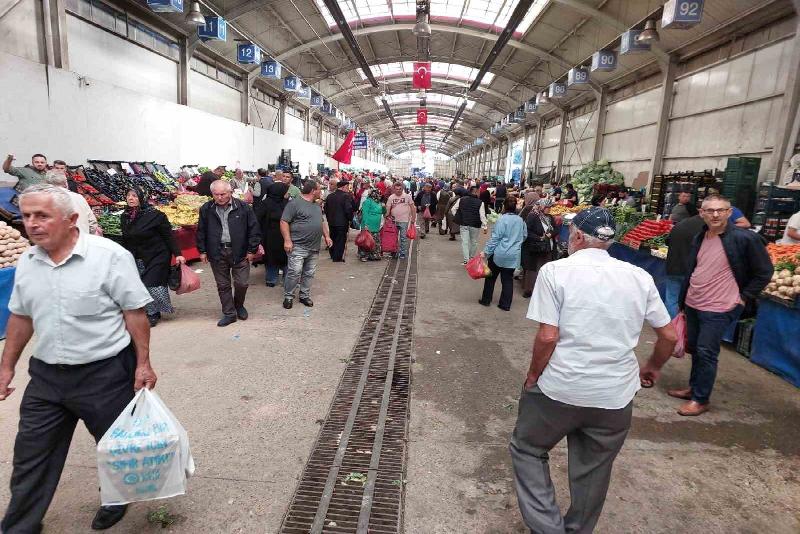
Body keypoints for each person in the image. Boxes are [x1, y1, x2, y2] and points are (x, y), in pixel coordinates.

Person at [0, 184, 158, 532]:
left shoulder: (110, 256)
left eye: (42, 216)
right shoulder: (27, 261)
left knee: (114, 447)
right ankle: (20, 525)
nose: (32, 224)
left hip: (104, 374)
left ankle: (116, 498)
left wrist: (143, 363)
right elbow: (21, 317)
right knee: (31, 456)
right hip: (46, 377)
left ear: (72, 220)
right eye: (27, 216)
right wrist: (6, 366)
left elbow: (135, 313)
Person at [511, 206, 677, 534]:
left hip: (559, 389)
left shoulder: (555, 271)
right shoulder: (639, 277)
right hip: (614, 397)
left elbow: (548, 336)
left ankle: (547, 528)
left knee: (527, 449)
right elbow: (669, 335)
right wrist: (653, 367)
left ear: (575, 236)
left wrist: (533, 375)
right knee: (593, 472)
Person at [670, 195, 772, 416]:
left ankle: (701, 399)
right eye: (710, 210)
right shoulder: (700, 237)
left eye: (721, 210)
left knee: (707, 352)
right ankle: (694, 388)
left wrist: (743, 297)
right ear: (701, 213)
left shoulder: (745, 238)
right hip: (694, 303)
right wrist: (684, 300)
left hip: (719, 307)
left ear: (729, 212)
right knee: (696, 349)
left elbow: (764, 271)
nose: (715, 214)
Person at [196, 180, 261, 327]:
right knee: (223, 285)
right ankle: (229, 313)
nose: (219, 197)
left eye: (223, 194)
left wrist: (252, 250)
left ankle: (239, 305)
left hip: (240, 251)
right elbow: (201, 231)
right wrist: (202, 250)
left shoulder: (243, 208)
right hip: (217, 251)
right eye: (216, 194)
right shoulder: (207, 208)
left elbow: (254, 230)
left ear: (230, 192)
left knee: (242, 283)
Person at [121, 188, 185, 327]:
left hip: (157, 255)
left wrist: (178, 254)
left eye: (134, 196)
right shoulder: (125, 216)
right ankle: (153, 311)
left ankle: (152, 313)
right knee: (142, 285)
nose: (130, 198)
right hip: (137, 256)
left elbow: (168, 236)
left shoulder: (156, 215)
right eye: (128, 196)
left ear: (142, 198)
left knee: (152, 284)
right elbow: (125, 239)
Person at [280, 180, 332, 309]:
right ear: (313, 191)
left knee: (309, 272)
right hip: (298, 245)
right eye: (320, 189)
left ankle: (304, 295)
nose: (321, 192)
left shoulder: (316, 205)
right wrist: (287, 240)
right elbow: (284, 221)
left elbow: (321, 222)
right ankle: (288, 296)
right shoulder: (294, 204)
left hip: (314, 246)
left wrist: (327, 236)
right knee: (295, 271)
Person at [479, 197, 526, 311]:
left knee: (490, 278)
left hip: (499, 254)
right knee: (507, 280)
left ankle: (486, 300)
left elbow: (495, 238)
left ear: (504, 206)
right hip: (513, 255)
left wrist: (486, 252)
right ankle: (505, 305)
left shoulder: (501, 219)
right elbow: (524, 236)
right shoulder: (521, 220)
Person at [664, 215, 705, 318]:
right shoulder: (705, 229)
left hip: (673, 267)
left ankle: (673, 326)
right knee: (690, 301)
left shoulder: (680, 224)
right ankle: (684, 327)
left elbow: (667, 241)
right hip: (691, 270)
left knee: (672, 299)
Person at [44, 171, 101, 235]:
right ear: (66, 183)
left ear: (47, 184)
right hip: (80, 239)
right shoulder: (79, 198)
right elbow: (92, 223)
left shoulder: (43, 199)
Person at [255, 182, 289, 287]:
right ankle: (279, 279)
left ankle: (275, 279)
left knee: (274, 257)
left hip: (273, 235)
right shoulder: (284, 203)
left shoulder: (266, 203)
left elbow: (257, 218)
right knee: (281, 257)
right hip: (278, 235)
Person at [521, 199, 554, 299]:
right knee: (532, 269)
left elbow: (555, 229)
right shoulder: (533, 216)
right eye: (547, 207)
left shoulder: (550, 217)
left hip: (546, 246)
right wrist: (539, 238)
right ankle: (529, 290)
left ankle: (541, 290)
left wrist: (551, 234)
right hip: (534, 246)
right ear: (542, 207)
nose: (549, 209)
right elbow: (527, 231)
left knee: (544, 268)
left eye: (550, 207)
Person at [452, 185, 487, 264]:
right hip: (475, 224)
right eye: (479, 191)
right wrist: (485, 226)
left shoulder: (461, 199)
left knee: (464, 242)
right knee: (474, 241)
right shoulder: (480, 202)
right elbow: (482, 215)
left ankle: (466, 260)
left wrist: (459, 217)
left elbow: (453, 209)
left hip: (464, 223)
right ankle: (471, 258)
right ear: (476, 192)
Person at [324, 179, 356, 262]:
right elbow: (348, 209)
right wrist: (350, 219)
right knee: (340, 240)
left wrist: (328, 218)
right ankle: (337, 257)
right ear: (344, 187)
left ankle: (332, 254)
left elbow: (325, 209)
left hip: (332, 222)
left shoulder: (330, 196)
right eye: (347, 187)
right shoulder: (346, 196)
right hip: (342, 222)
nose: (348, 188)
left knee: (333, 238)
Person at [386, 182, 416, 259]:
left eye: (400, 189)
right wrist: (386, 218)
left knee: (403, 237)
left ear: (402, 189)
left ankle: (402, 253)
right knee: (393, 237)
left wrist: (413, 218)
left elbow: (412, 207)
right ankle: (394, 251)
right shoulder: (391, 197)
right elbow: (388, 208)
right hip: (393, 221)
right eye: (396, 189)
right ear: (394, 189)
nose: (398, 191)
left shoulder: (407, 196)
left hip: (404, 220)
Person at [358, 188, 385, 262]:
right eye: (378, 194)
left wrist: (384, 207)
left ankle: (374, 255)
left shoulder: (379, 203)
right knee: (365, 241)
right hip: (368, 225)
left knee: (374, 240)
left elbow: (383, 212)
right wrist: (366, 224)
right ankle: (364, 255)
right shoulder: (367, 202)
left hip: (376, 226)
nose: (379, 196)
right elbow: (365, 214)